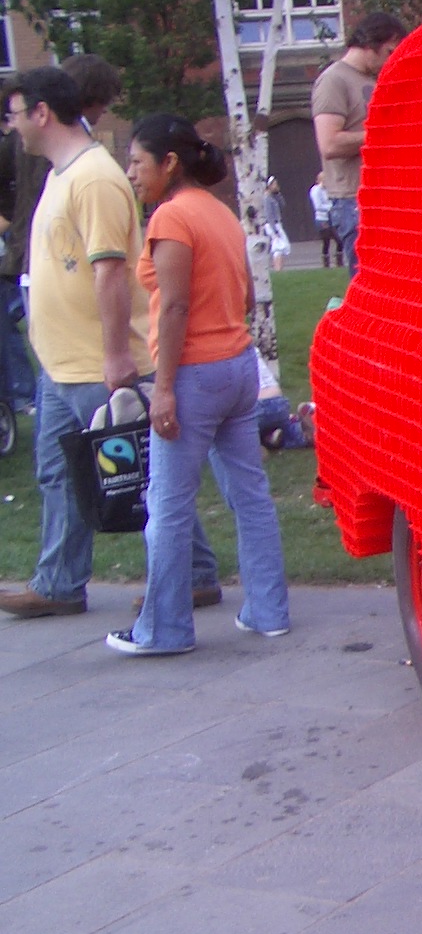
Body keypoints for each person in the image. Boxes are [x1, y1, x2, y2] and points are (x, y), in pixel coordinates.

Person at [0, 70, 217, 618]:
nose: (12, 124)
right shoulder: (60, 173)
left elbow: (111, 273)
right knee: (59, 473)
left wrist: (117, 354)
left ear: (42, 112)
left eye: (16, 112)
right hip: (60, 364)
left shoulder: (94, 179)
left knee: (139, 472)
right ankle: (58, 582)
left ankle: (194, 574)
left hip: (98, 364)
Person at [108, 115, 289, 655]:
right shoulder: (221, 213)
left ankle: (164, 630)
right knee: (250, 496)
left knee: (168, 504)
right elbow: (247, 295)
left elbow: (176, 306)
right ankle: (268, 610)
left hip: (193, 375)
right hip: (237, 369)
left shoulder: (170, 219)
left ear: (169, 163)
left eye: (138, 161)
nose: (131, 172)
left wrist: (163, 388)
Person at [0, 54, 126, 416]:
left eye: (15, 115)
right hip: (45, 259)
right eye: (102, 103)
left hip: (53, 267)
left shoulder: (84, 166)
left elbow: (110, 268)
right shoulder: (54, 155)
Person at [312, 11, 407, 276]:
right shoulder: (334, 80)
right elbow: (329, 143)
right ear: (369, 44)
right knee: (369, 284)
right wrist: (386, 132)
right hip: (354, 200)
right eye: (390, 51)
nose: (393, 59)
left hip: (385, 197)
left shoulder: (375, 80)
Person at [309, 179, 336, 267]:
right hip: (322, 218)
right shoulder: (316, 190)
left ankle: (339, 261)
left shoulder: (327, 189)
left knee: (339, 239)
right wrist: (331, 207)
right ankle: (326, 263)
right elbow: (318, 206)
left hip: (331, 217)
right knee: (326, 240)